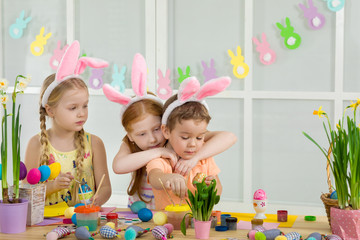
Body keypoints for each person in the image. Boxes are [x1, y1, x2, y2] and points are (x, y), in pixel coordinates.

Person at [103, 54, 236, 210]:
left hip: (172, 214)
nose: (152, 139)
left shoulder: (181, 139)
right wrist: (159, 151)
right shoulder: (131, 144)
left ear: (165, 127)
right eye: (141, 134)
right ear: (130, 135)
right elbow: (119, 166)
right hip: (142, 213)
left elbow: (229, 137)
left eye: (156, 129)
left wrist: (194, 159)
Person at [24, 41, 111, 207]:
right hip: (44, 226)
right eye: (73, 108)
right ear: (50, 111)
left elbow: (105, 186)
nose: (82, 113)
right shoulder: (36, 144)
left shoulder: (95, 144)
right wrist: (53, 186)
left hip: (84, 222)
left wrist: (98, 199)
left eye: (85, 105)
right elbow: (27, 193)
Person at [147, 76, 231, 210]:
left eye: (199, 138)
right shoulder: (161, 159)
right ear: (166, 131)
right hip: (168, 226)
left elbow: (218, 190)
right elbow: (155, 178)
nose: (193, 144)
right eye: (185, 137)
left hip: (198, 224)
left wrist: (213, 187)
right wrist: (169, 178)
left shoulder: (204, 158)